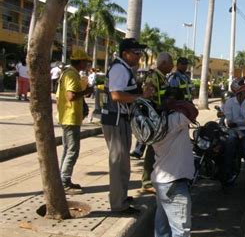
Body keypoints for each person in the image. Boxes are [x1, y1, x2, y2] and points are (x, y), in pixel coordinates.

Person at [101, 38, 153, 214]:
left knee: (123, 162)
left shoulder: (124, 69)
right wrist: (141, 97)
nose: (139, 56)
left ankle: (121, 196)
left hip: (120, 119)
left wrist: (140, 93)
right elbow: (116, 95)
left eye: (140, 53)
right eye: (136, 53)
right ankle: (118, 204)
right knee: (118, 162)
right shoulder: (119, 69)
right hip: (115, 120)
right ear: (125, 54)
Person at [150, 94, 198, 237]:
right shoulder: (175, 119)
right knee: (181, 229)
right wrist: (178, 101)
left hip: (161, 180)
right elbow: (193, 111)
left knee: (162, 223)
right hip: (175, 182)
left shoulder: (154, 124)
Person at [56, 49, 93, 194]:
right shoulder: (71, 74)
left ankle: (63, 179)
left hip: (69, 117)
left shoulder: (69, 73)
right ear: (80, 61)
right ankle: (64, 182)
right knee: (72, 151)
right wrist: (86, 91)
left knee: (67, 150)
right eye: (85, 61)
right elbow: (71, 96)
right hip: (70, 118)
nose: (87, 64)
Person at [137, 52, 174, 194]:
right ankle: (146, 182)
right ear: (164, 63)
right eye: (171, 63)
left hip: (161, 117)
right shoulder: (153, 77)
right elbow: (148, 98)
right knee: (152, 150)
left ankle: (156, 178)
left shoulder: (162, 77)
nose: (172, 66)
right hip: (154, 119)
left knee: (159, 150)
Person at [222, 79, 245, 184]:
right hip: (232, 130)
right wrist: (242, 122)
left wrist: (237, 123)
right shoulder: (229, 102)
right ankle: (227, 171)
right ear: (239, 93)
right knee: (230, 142)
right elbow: (229, 122)